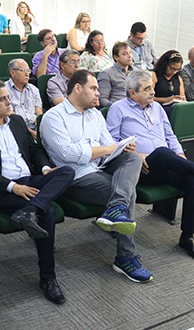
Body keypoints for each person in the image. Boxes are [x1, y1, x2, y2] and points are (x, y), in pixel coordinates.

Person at [106, 70, 194, 261]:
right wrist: (137, 154)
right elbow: (111, 142)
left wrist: (181, 157)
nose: (152, 92)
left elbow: (170, 136)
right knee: (160, 153)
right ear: (132, 93)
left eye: (152, 87)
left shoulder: (157, 108)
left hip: (166, 163)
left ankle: (188, 237)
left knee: (192, 180)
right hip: (139, 168)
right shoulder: (118, 109)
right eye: (147, 89)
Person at [0, 80, 75, 304]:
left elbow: (34, 150)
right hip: (0, 190)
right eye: (2, 99)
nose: (9, 101)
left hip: (30, 180)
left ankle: (30, 209)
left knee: (66, 172)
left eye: (8, 97)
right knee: (48, 212)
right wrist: (13, 187)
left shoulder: (16, 121)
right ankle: (48, 278)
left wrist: (44, 168)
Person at [40, 69, 153, 283]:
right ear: (77, 88)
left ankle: (115, 209)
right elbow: (69, 154)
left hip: (100, 168)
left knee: (134, 158)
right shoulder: (53, 117)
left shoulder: (95, 115)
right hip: (75, 178)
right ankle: (125, 257)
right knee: (127, 194)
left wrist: (121, 149)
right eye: (93, 88)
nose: (97, 94)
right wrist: (110, 149)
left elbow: (108, 144)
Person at [5, 59, 42, 137]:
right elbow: (11, 117)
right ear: (12, 73)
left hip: (35, 126)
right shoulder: (4, 90)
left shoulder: (34, 89)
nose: (27, 74)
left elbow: (39, 112)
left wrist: (38, 129)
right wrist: (31, 133)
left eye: (28, 71)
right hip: (15, 128)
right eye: (24, 70)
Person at [97, 41, 133, 108]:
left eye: (130, 52)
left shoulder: (135, 73)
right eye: (125, 54)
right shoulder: (107, 74)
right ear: (116, 57)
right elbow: (102, 99)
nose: (129, 55)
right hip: (119, 109)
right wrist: (116, 107)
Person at [151, 50, 186, 116]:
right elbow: (148, 98)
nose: (174, 72)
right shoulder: (154, 75)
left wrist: (181, 99)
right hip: (158, 109)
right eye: (172, 68)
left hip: (176, 109)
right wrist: (167, 100)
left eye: (177, 69)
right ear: (165, 65)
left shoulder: (178, 78)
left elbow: (183, 98)